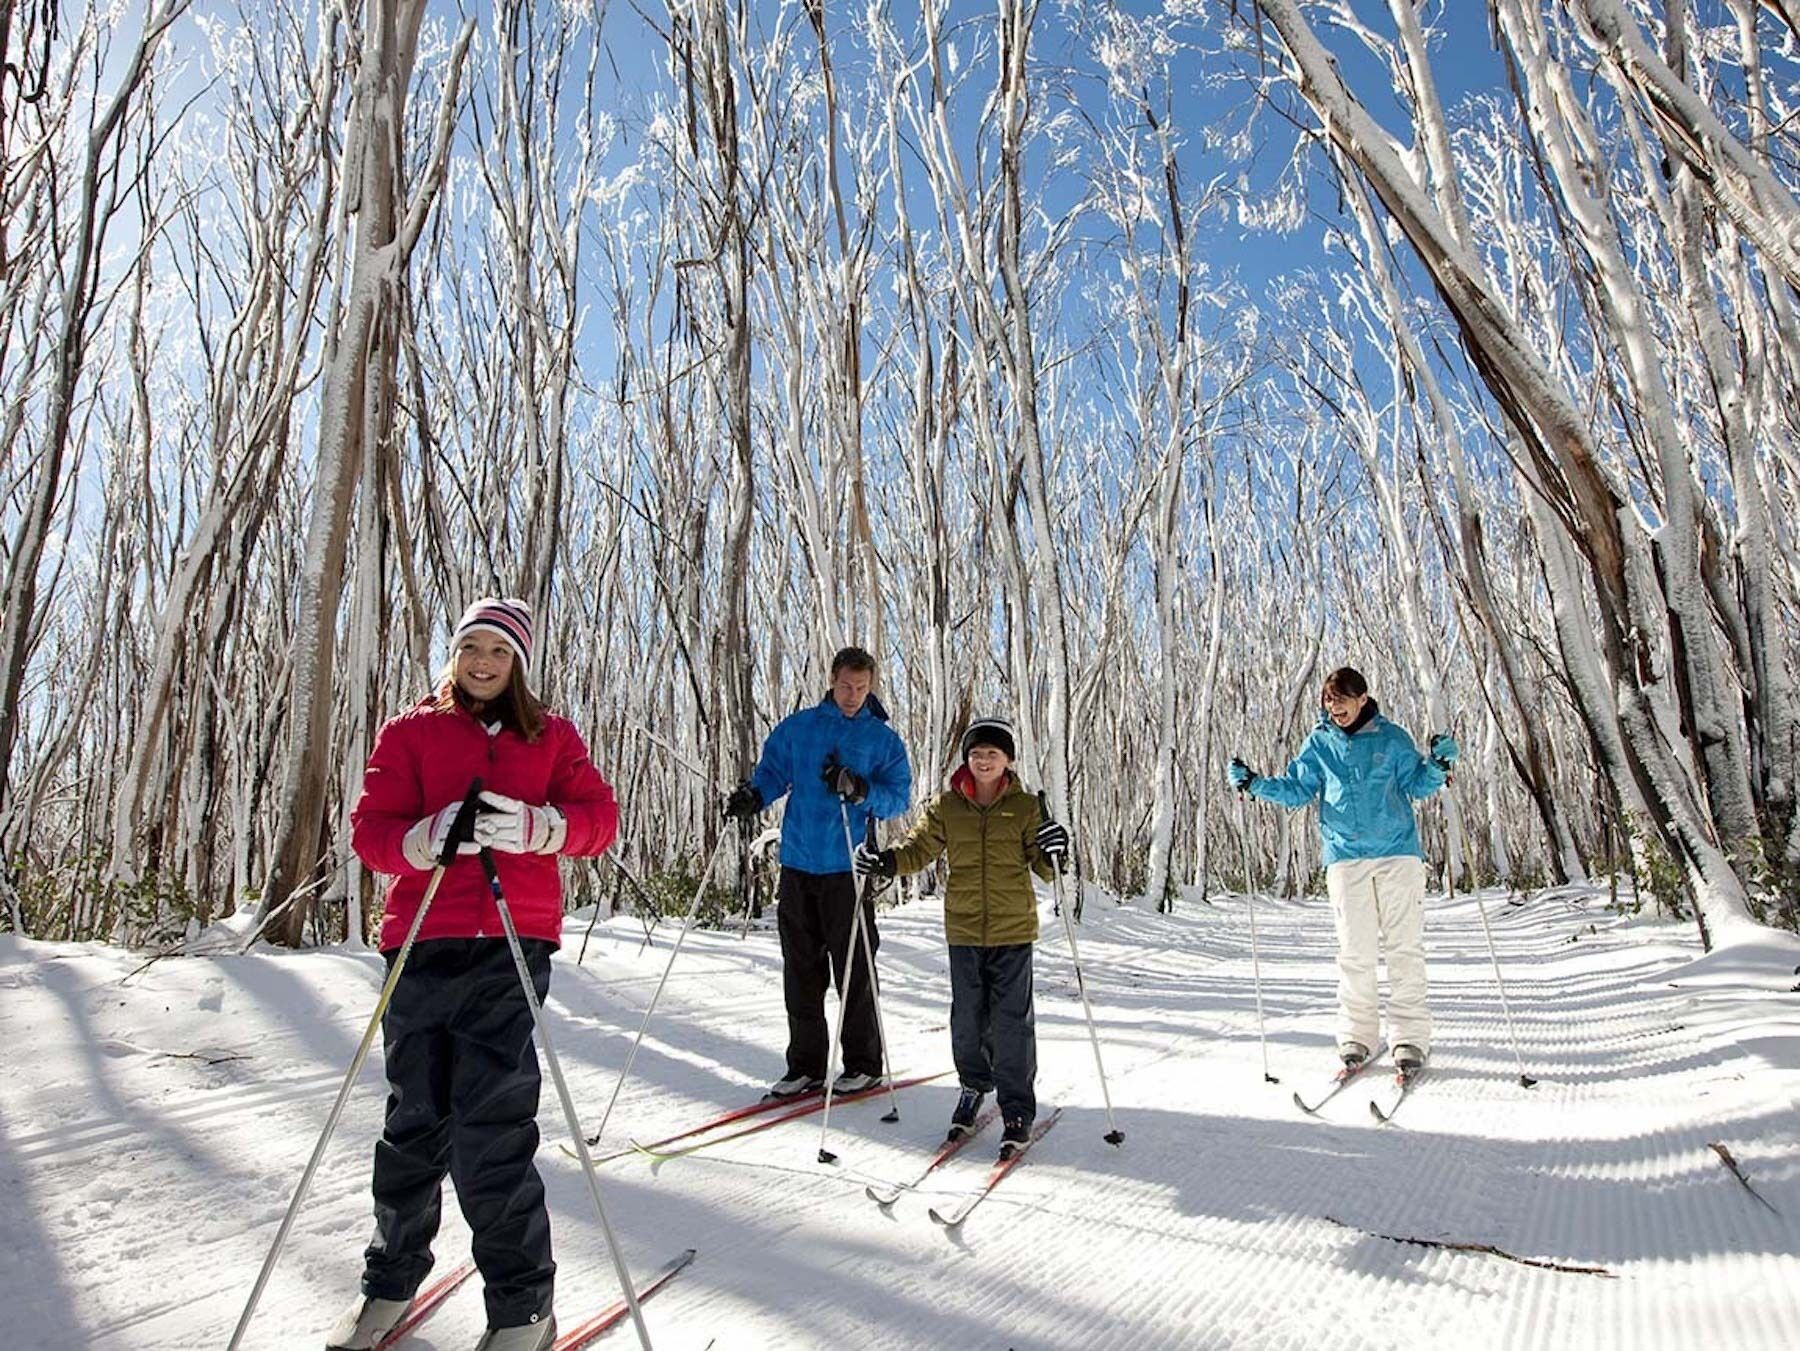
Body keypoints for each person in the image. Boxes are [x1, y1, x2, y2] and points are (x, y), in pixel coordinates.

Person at [327, 598, 619, 1351]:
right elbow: (371, 832)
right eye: (471, 648)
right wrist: (425, 838)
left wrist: (537, 825)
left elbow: (598, 819)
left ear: (518, 660)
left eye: (498, 650)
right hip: (422, 938)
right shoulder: (411, 730)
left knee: (490, 1127)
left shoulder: (550, 735)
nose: (483, 662)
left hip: (511, 944)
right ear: (453, 655)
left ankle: (523, 1306)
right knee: (413, 1122)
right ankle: (388, 1285)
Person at [854, 716, 1068, 1157]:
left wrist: (1056, 849)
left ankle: (1016, 1107)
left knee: (1011, 1024)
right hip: (965, 930)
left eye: (992, 753)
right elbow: (919, 849)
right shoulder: (947, 807)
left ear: (1008, 760)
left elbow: (1047, 870)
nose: (983, 760)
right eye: (975, 753)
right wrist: (886, 864)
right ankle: (973, 1087)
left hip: (1012, 931)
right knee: (967, 1021)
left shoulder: (1027, 807)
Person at [1227, 666, 1456, 1075]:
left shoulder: (1392, 738)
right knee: (1355, 952)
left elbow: (1419, 785)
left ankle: (1409, 1038)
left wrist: (1438, 765)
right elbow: (1297, 790)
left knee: (1403, 948)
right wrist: (1255, 784)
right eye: (1328, 700)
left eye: (1341, 699)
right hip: (1345, 858)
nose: (1334, 708)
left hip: (1397, 855)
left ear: (1362, 698)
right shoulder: (1319, 743)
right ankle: (1358, 1036)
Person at [724, 646, 912, 1098]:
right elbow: (772, 773)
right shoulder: (799, 729)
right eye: (846, 685)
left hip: (847, 867)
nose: (853, 695)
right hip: (798, 864)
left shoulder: (881, 740)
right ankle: (805, 1065)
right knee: (801, 969)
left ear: (871, 687)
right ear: (832, 680)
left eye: (862, 688)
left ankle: (863, 1062)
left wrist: (860, 787)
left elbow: (897, 797)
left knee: (854, 969)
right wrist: (754, 795)